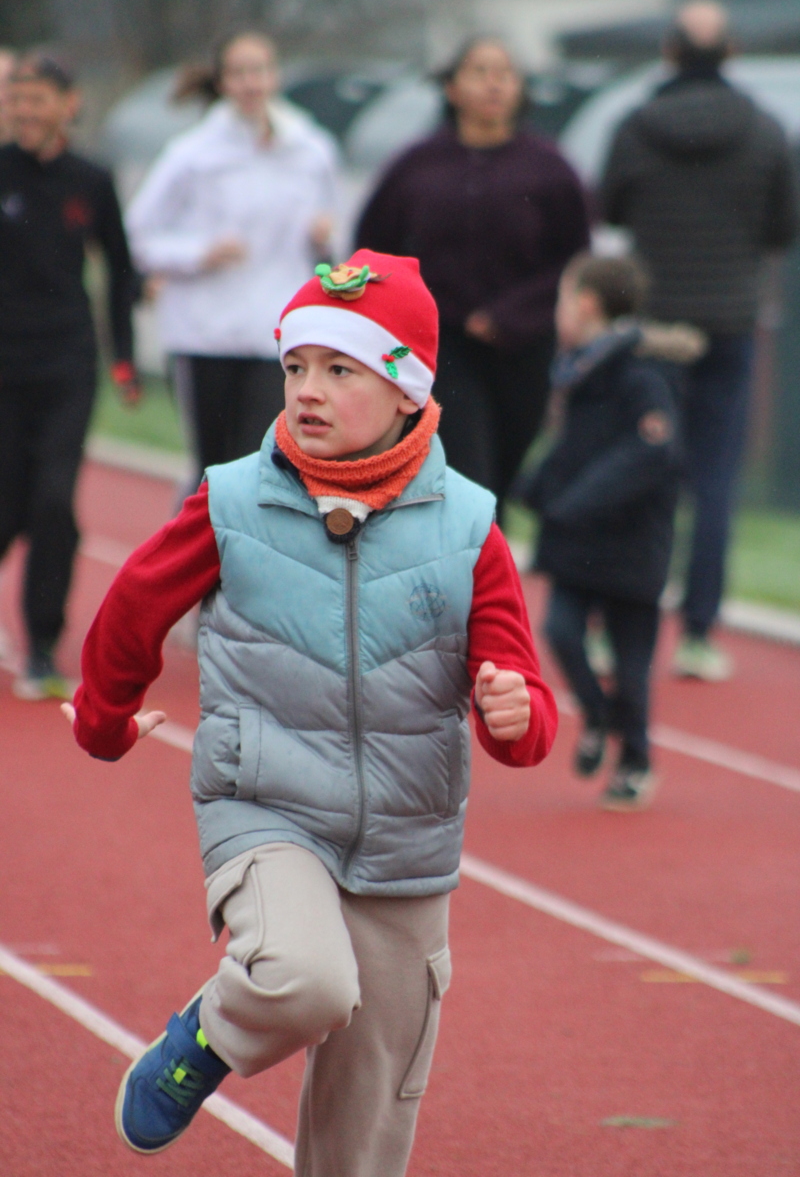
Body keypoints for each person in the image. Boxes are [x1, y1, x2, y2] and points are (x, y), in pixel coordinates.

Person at [63, 250, 558, 1171]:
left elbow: (521, 691)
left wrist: (516, 712)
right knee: (305, 980)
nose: (308, 391)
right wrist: (103, 719)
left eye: (340, 370)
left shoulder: (469, 526)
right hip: (268, 805)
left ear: (407, 391)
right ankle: (206, 1038)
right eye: (295, 367)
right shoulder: (233, 500)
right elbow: (133, 604)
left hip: (407, 836)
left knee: (371, 1111)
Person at [600, 0, 799, 681]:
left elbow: (611, 210)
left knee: (636, 471)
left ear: (670, 53)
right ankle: (698, 635)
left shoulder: (634, 126)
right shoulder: (767, 131)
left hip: (653, 324)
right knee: (714, 482)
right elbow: (783, 227)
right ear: (733, 53)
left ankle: (614, 628)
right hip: (729, 322)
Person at [355, 37, 589, 517]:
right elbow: (372, 251)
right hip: (439, 347)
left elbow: (574, 262)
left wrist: (511, 314)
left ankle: (484, 554)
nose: (493, 84)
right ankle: (474, 559)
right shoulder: (415, 166)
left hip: (523, 347)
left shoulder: (549, 169)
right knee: (467, 472)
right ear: (451, 87)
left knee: (501, 475)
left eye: (504, 73)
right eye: (479, 72)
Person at [521, 254, 702, 809]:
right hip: (579, 540)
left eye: (562, 299)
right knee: (560, 631)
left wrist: (576, 500)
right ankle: (598, 717)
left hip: (631, 541)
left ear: (587, 304)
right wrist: (535, 486)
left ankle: (636, 760)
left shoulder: (642, 373)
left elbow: (651, 451)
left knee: (631, 662)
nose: (556, 312)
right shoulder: (578, 369)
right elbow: (574, 445)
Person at [126, 30, 338, 483]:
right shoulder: (192, 154)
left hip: (277, 334)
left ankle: (244, 531)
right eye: (239, 73)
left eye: (259, 70)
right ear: (221, 82)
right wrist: (200, 253)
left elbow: (336, 237)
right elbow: (138, 235)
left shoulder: (311, 149)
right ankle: (200, 527)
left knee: (263, 460)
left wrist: (322, 238)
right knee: (215, 465)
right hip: (205, 333)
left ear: (275, 76)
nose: (250, 83)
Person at [0, 52, 137, 700]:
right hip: (3, 366)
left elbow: (120, 269)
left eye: (36, 100)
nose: (24, 112)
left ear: (67, 105)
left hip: (66, 363)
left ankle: (42, 645)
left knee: (54, 502)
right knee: (7, 503)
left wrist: (125, 358)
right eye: (16, 100)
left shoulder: (92, 179)